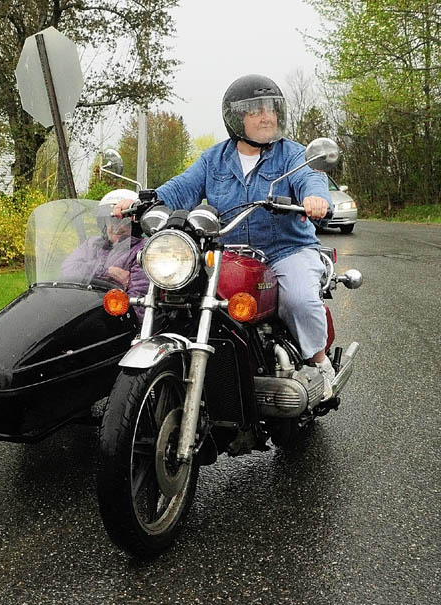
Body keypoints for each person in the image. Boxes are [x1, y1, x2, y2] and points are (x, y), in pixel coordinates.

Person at [112, 74, 336, 399]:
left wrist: (317, 200)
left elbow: (310, 179)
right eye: (256, 110)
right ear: (236, 117)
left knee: (299, 298)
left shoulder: (292, 155)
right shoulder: (214, 159)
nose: (266, 117)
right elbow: (182, 187)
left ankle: (318, 362)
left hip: (286, 250)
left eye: (271, 110)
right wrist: (144, 201)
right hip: (227, 253)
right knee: (179, 294)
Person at [61, 189, 148, 318]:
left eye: (121, 222)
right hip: (80, 312)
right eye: (110, 221)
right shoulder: (92, 244)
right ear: (103, 223)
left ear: (135, 224)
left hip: (113, 322)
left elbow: (137, 306)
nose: (114, 228)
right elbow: (67, 270)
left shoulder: (143, 251)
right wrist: (106, 271)